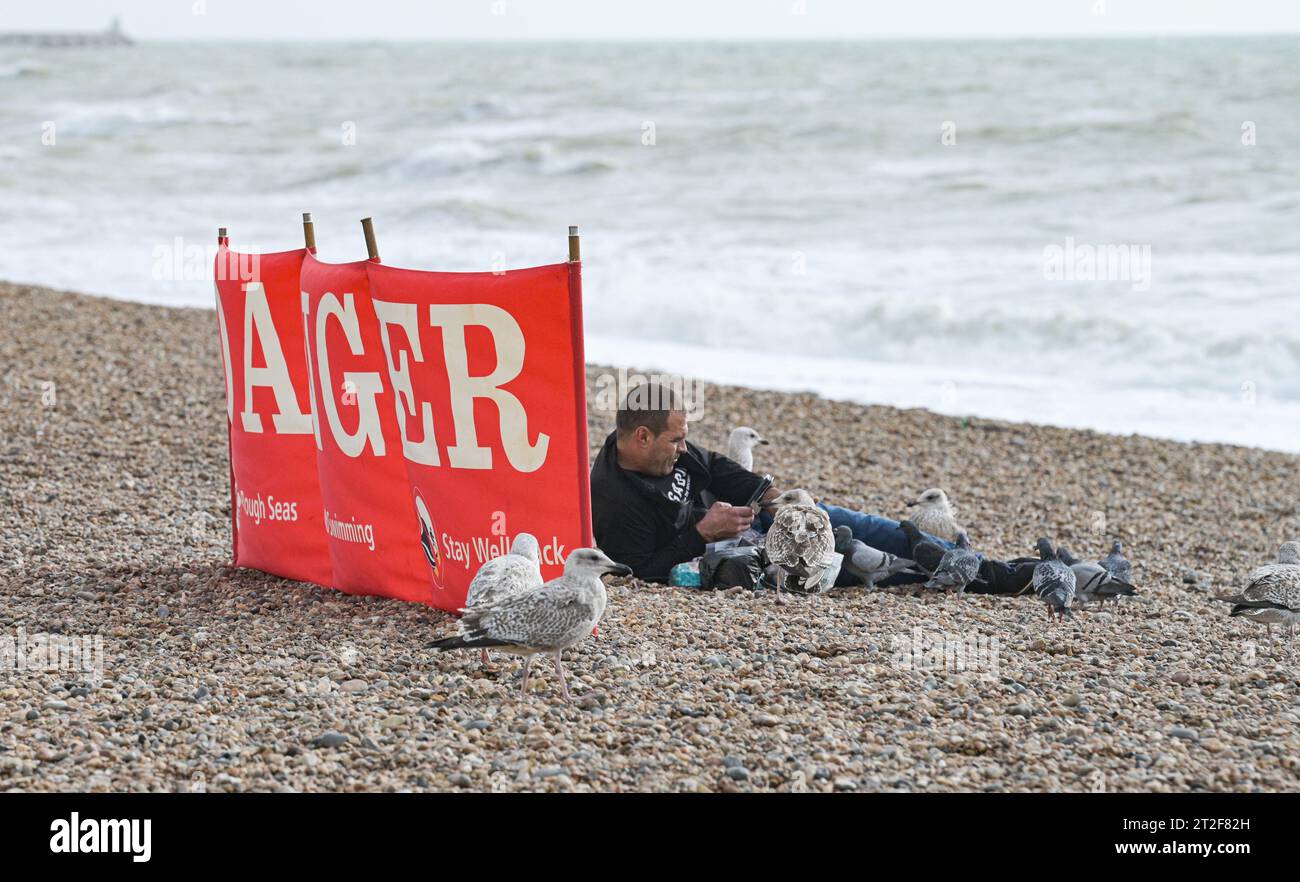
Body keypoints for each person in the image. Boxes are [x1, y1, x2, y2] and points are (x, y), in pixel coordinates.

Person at [590, 381, 1024, 589]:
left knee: (855, 523)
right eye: (676, 440)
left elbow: (719, 468)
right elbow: (642, 568)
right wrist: (700, 534)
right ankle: (986, 578)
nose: (684, 448)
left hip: (751, 525)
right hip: (734, 554)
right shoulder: (615, 499)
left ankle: (992, 568)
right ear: (643, 437)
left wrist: (770, 498)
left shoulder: (669, 452)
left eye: (685, 437)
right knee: (869, 567)